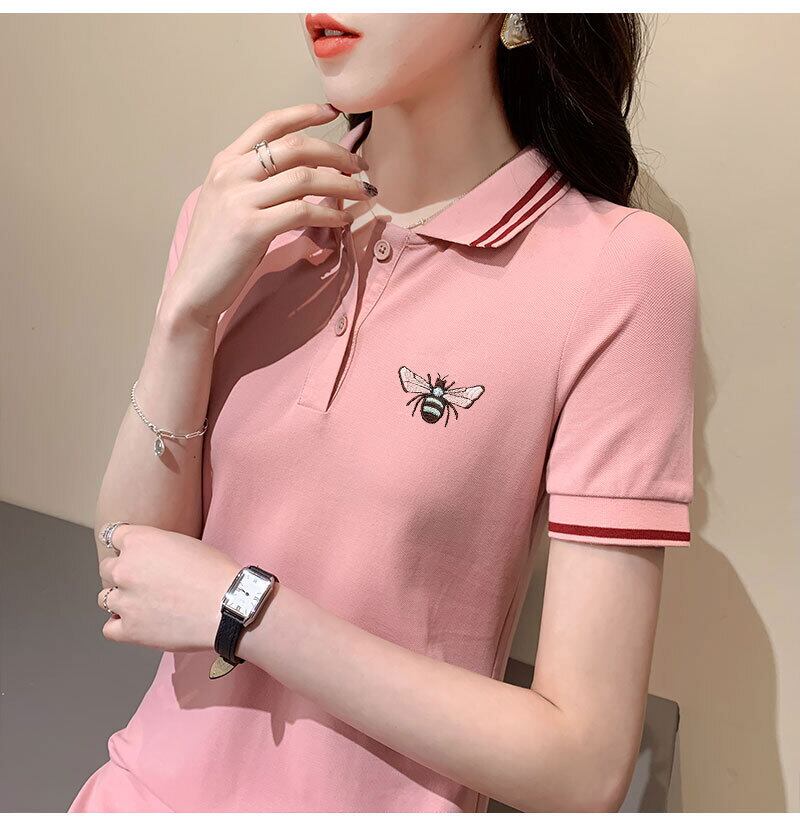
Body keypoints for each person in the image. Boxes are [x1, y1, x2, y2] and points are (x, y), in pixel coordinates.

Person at [68, 13, 697, 813]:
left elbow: (584, 768)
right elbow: (129, 567)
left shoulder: (618, 269)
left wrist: (247, 611)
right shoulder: (237, 216)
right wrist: (183, 320)